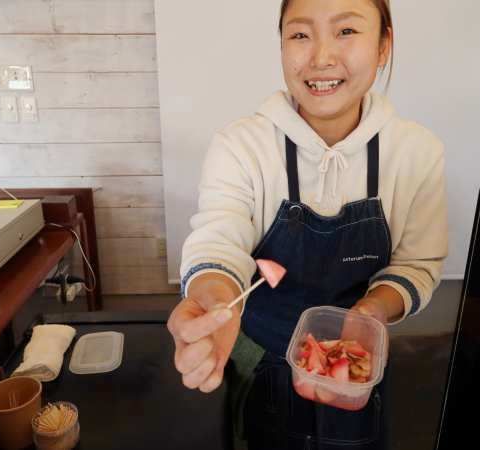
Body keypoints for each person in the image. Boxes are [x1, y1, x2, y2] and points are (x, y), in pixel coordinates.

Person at [167, 0, 448, 448]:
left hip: (357, 367)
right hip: (258, 357)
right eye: (300, 35)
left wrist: (371, 313)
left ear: (383, 46)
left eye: (346, 31)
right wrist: (215, 302)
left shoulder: (416, 152)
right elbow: (217, 243)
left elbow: (417, 264)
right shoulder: (242, 146)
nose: (321, 57)